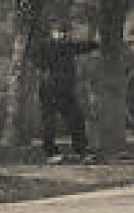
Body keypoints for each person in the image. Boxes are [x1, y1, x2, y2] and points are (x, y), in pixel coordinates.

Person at [36, 28, 97, 163]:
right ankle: (51, 153)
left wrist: (95, 44)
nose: (63, 35)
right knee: (50, 123)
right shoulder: (48, 46)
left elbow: (82, 47)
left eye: (65, 32)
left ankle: (81, 151)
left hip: (64, 91)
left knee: (76, 119)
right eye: (59, 32)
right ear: (52, 33)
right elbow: (80, 46)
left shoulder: (66, 46)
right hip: (50, 90)